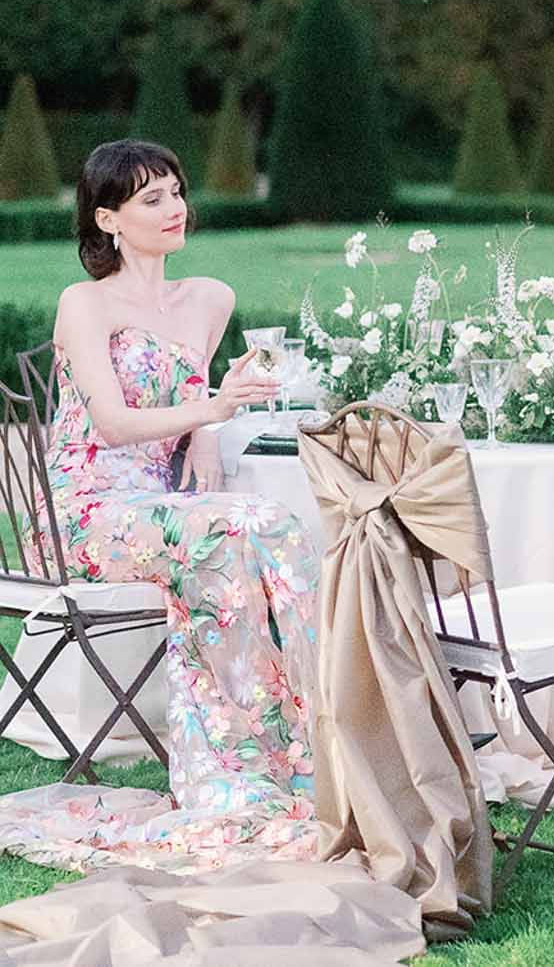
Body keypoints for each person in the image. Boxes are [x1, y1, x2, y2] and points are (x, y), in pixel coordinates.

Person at [0, 139, 323, 873]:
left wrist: (215, 417)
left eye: (177, 190)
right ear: (108, 219)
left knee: (254, 528)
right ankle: (258, 760)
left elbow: (196, 425)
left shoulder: (211, 298)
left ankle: (293, 752)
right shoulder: (85, 302)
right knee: (250, 526)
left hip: (165, 503)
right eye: (153, 198)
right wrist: (210, 407)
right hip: (95, 511)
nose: (175, 207)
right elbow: (112, 423)